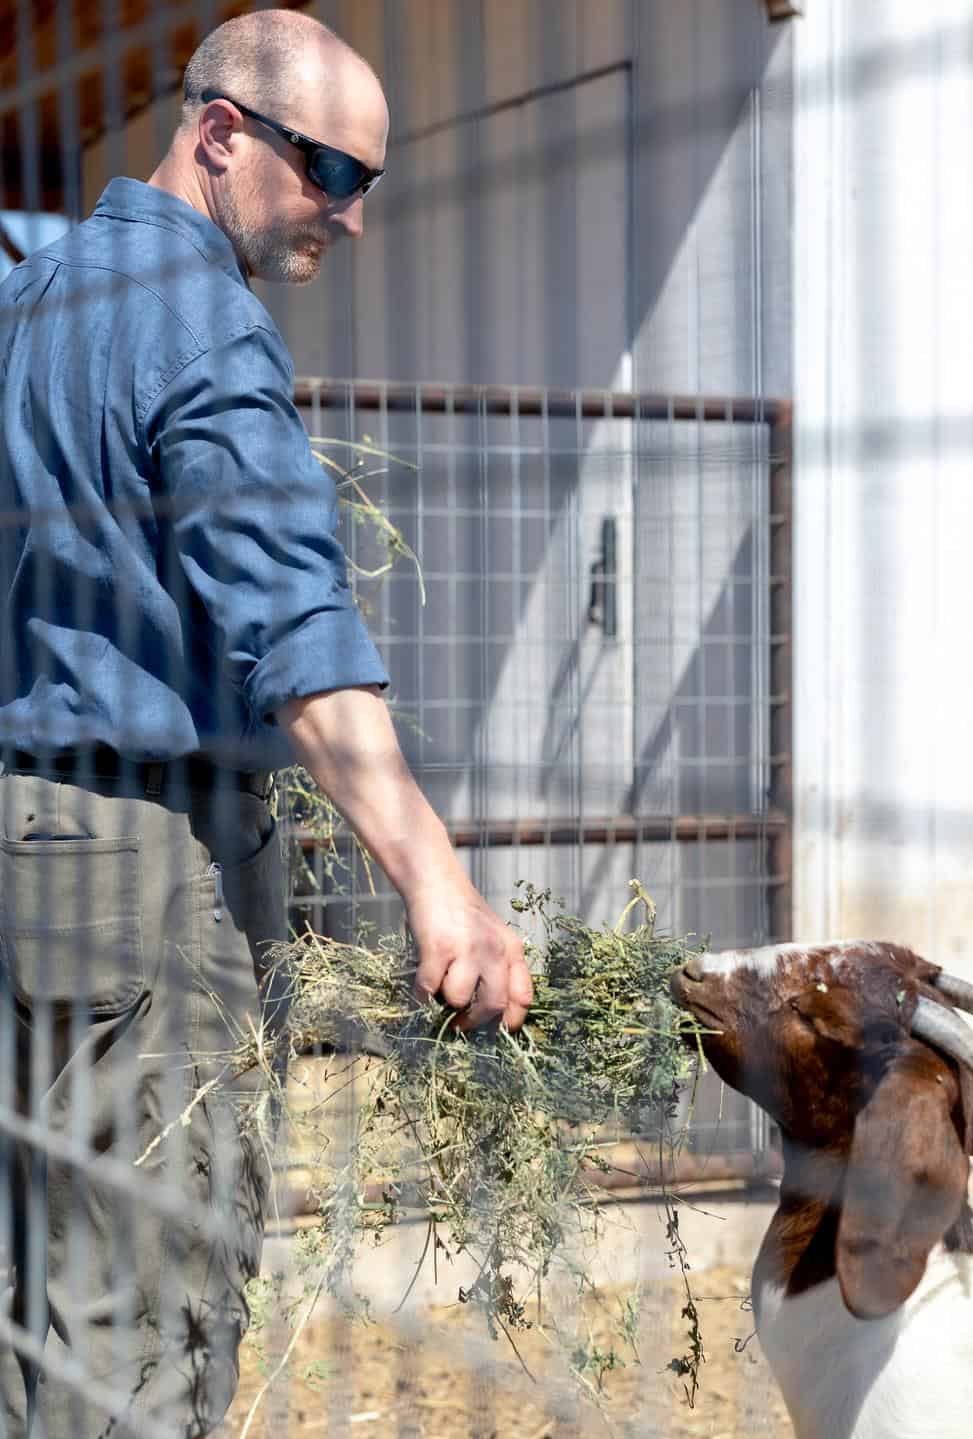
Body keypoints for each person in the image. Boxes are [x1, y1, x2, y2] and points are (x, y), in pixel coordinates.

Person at [0, 10, 532, 1436]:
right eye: (333, 175)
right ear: (221, 134)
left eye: (370, 182)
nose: (352, 219)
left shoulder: (33, 303)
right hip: (144, 868)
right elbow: (298, 638)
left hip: (29, 847)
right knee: (150, 1307)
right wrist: (441, 888)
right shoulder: (200, 326)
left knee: (48, 1281)